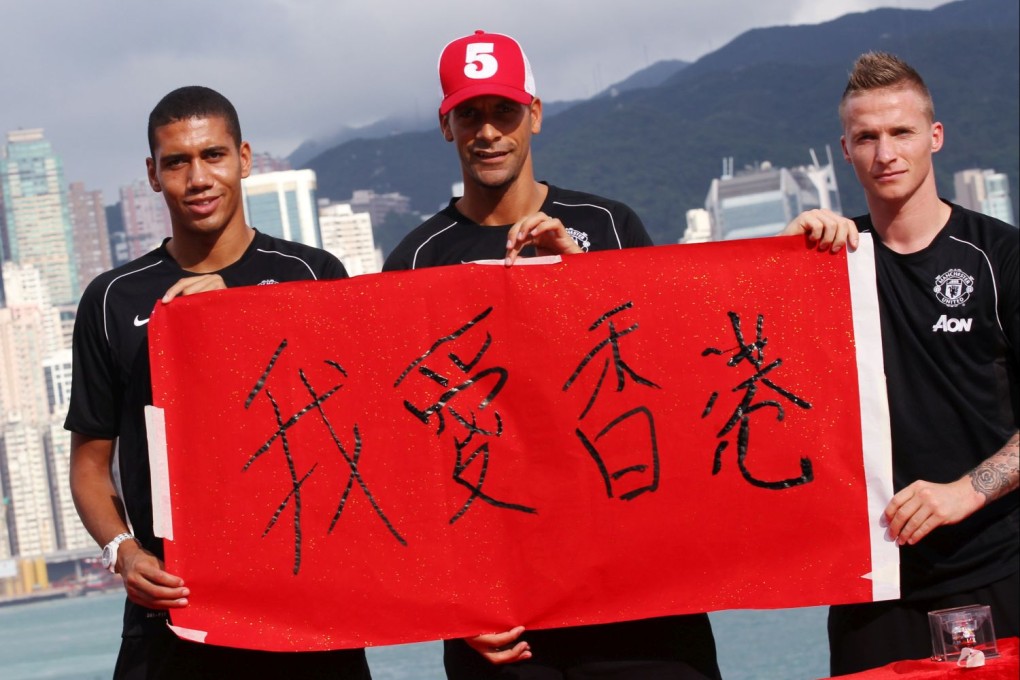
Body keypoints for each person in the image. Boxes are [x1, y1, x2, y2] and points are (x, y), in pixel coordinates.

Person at [385, 29, 731, 680]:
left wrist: (583, 280)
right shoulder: (415, 260)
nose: (488, 132)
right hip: (505, 615)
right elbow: (409, 450)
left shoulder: (608, 226)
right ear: (446, 125)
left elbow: (680, 376)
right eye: (470, 114)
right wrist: (456, 605)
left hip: (637, 593)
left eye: (504, 112)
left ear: (535, 115)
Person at [66, 86, 372, 679]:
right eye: (177, 162)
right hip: (172, 613)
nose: (198, 177)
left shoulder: (314, 275)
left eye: (214, 155)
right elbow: (89, 462)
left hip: (301, 609)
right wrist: (122, 552)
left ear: (245, 158)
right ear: (153, 175)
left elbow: (355, 432)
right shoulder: (111, 299)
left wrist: (238, 321)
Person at [784, 52, 1019, 676]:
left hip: (995, 568)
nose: (885, 151)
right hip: (870, 585)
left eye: (901, 132)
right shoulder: (828, 263)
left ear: (934, 137)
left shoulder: (1001, 256)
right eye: (867, 137)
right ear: (845, 149)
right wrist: (781, 263)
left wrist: (964, 493)